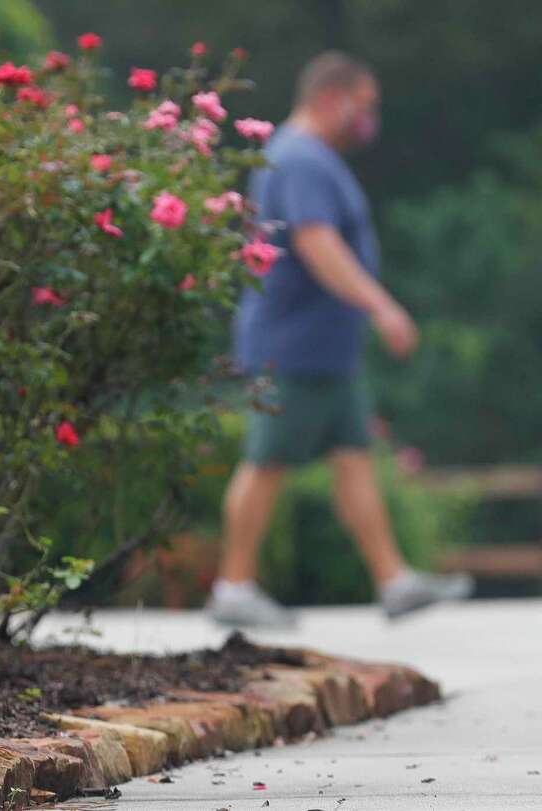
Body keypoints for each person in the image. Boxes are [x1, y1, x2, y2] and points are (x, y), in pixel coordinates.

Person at [207, 51, 472, 628]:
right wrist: (382, 305)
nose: (369, 117)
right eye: (366, 104)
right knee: (267, 459)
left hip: (326, 347)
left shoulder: (311, 156)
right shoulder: (300, 158)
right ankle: (233, 585)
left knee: (354, 458)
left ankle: (393, 580)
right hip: (294, 345)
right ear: (333, 97)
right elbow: (317, 244)